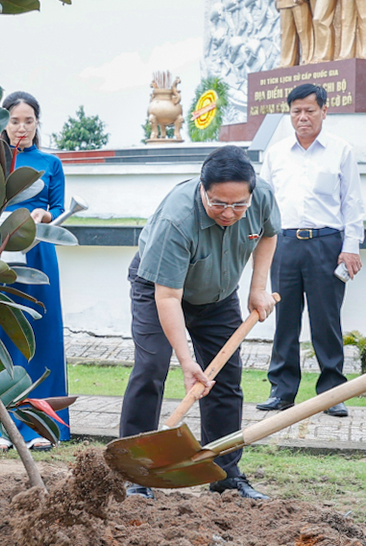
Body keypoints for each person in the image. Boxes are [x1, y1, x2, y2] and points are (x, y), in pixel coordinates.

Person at [118, 145, 278, 501]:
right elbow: (168, 298)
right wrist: (187, 360)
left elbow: (268, 234)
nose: (229, 213)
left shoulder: (261, 196)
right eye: (218, 204)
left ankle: (225, 474)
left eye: (239, 205)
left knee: (225, 378)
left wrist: (257, 288)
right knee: (151, 366)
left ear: (251, 194)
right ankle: (135, 476)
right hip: (159, 288)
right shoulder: (177, 219)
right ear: (203, 190)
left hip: (218, 296)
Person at [257, 83, 363, 418]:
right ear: (289, 114)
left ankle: (332, 392)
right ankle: (282, 391)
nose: (303, 117)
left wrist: (351, 247)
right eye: (296, 111)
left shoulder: (340, 150)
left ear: (324, 111)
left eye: (309, 110)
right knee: (284, 320)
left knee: (326, 320)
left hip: (326, 244)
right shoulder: (275, 153)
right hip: (283, 244)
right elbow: (263, 203)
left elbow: (353, 203)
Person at [0, 92, 69, 450]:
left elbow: (57, 208)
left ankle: (39, 426)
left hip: (38, 253)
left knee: (40, 333)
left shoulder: (50, 163)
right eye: (15, 120)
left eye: (29, 121)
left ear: (37, 124)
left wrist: (43, 216)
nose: (22, 128)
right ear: (3, 123)